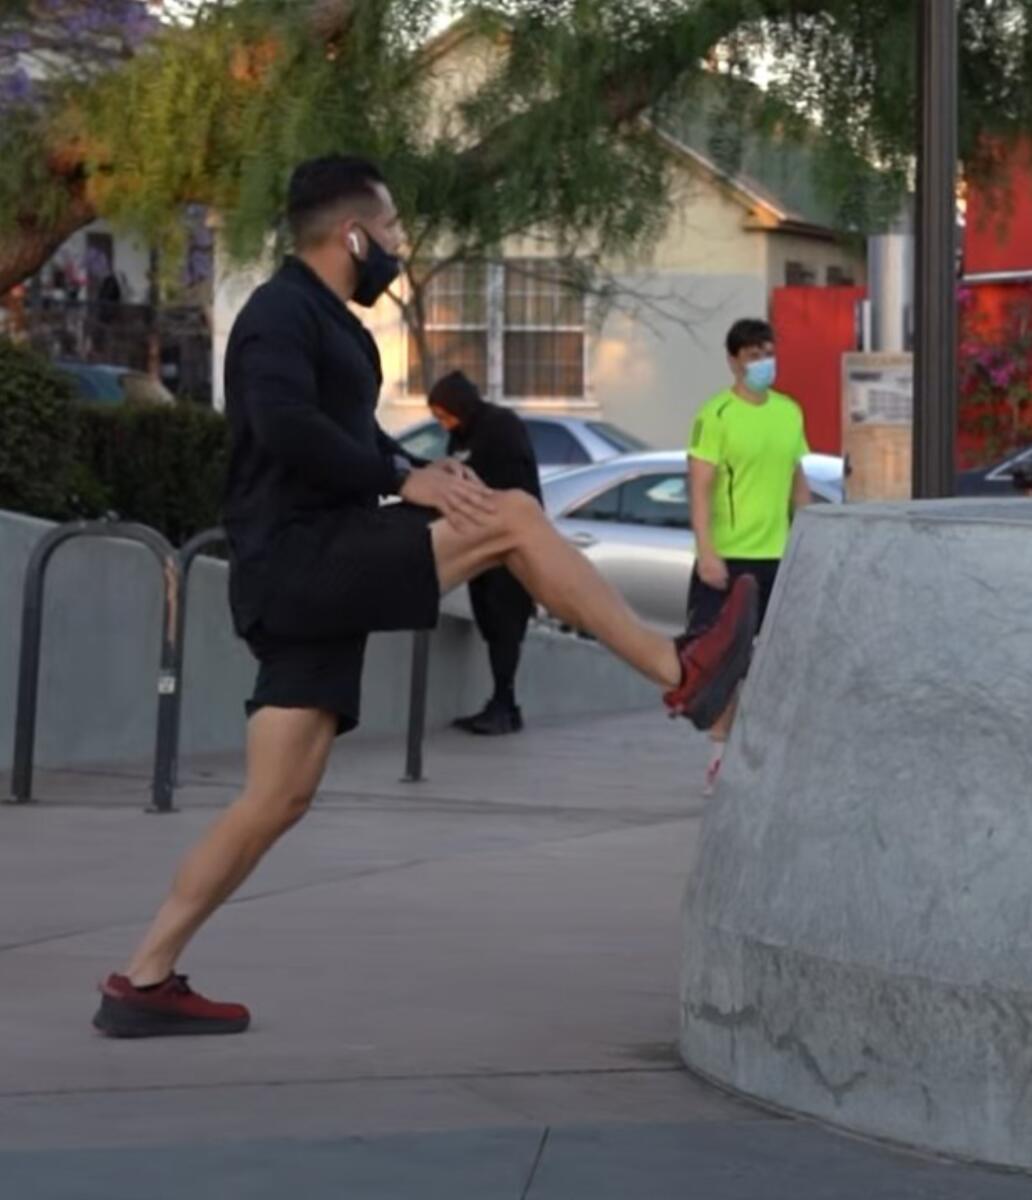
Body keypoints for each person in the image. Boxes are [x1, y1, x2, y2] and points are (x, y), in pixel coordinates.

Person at [90, 155, 759, 1038]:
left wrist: (414, 469)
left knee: (276, 797)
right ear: (353, 235)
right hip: (299, 560)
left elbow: (348, 431)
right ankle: (680, 670)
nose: (401, 248)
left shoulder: (334, 324)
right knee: (515, 516)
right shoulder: (276, 317)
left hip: (308, 568)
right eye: (394, 232)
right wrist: (397, 484)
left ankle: (142, 978)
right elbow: (284, 425)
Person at [687, 318, 811, 795]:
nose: (764, 363)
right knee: (724, 661)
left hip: (778, 556)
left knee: (777, 660)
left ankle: (768, 755)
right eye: (754, 355)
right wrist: (707, 552)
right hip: (731, 558)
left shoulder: (789, 412)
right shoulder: (715, 415)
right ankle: (720, 757)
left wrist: (808, 538)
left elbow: (797, 483)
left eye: (768, 352)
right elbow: (699, 488)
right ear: (734, 360)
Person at [428, 369, 541, 735]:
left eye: (446, 416)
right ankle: (501, 703)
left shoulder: (500, 428)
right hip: (479, 545)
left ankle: (504, 704)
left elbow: (504, 483)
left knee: (506, 624)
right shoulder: (463, 436)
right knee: (491, 623)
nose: (444, 426)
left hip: (509, 544)